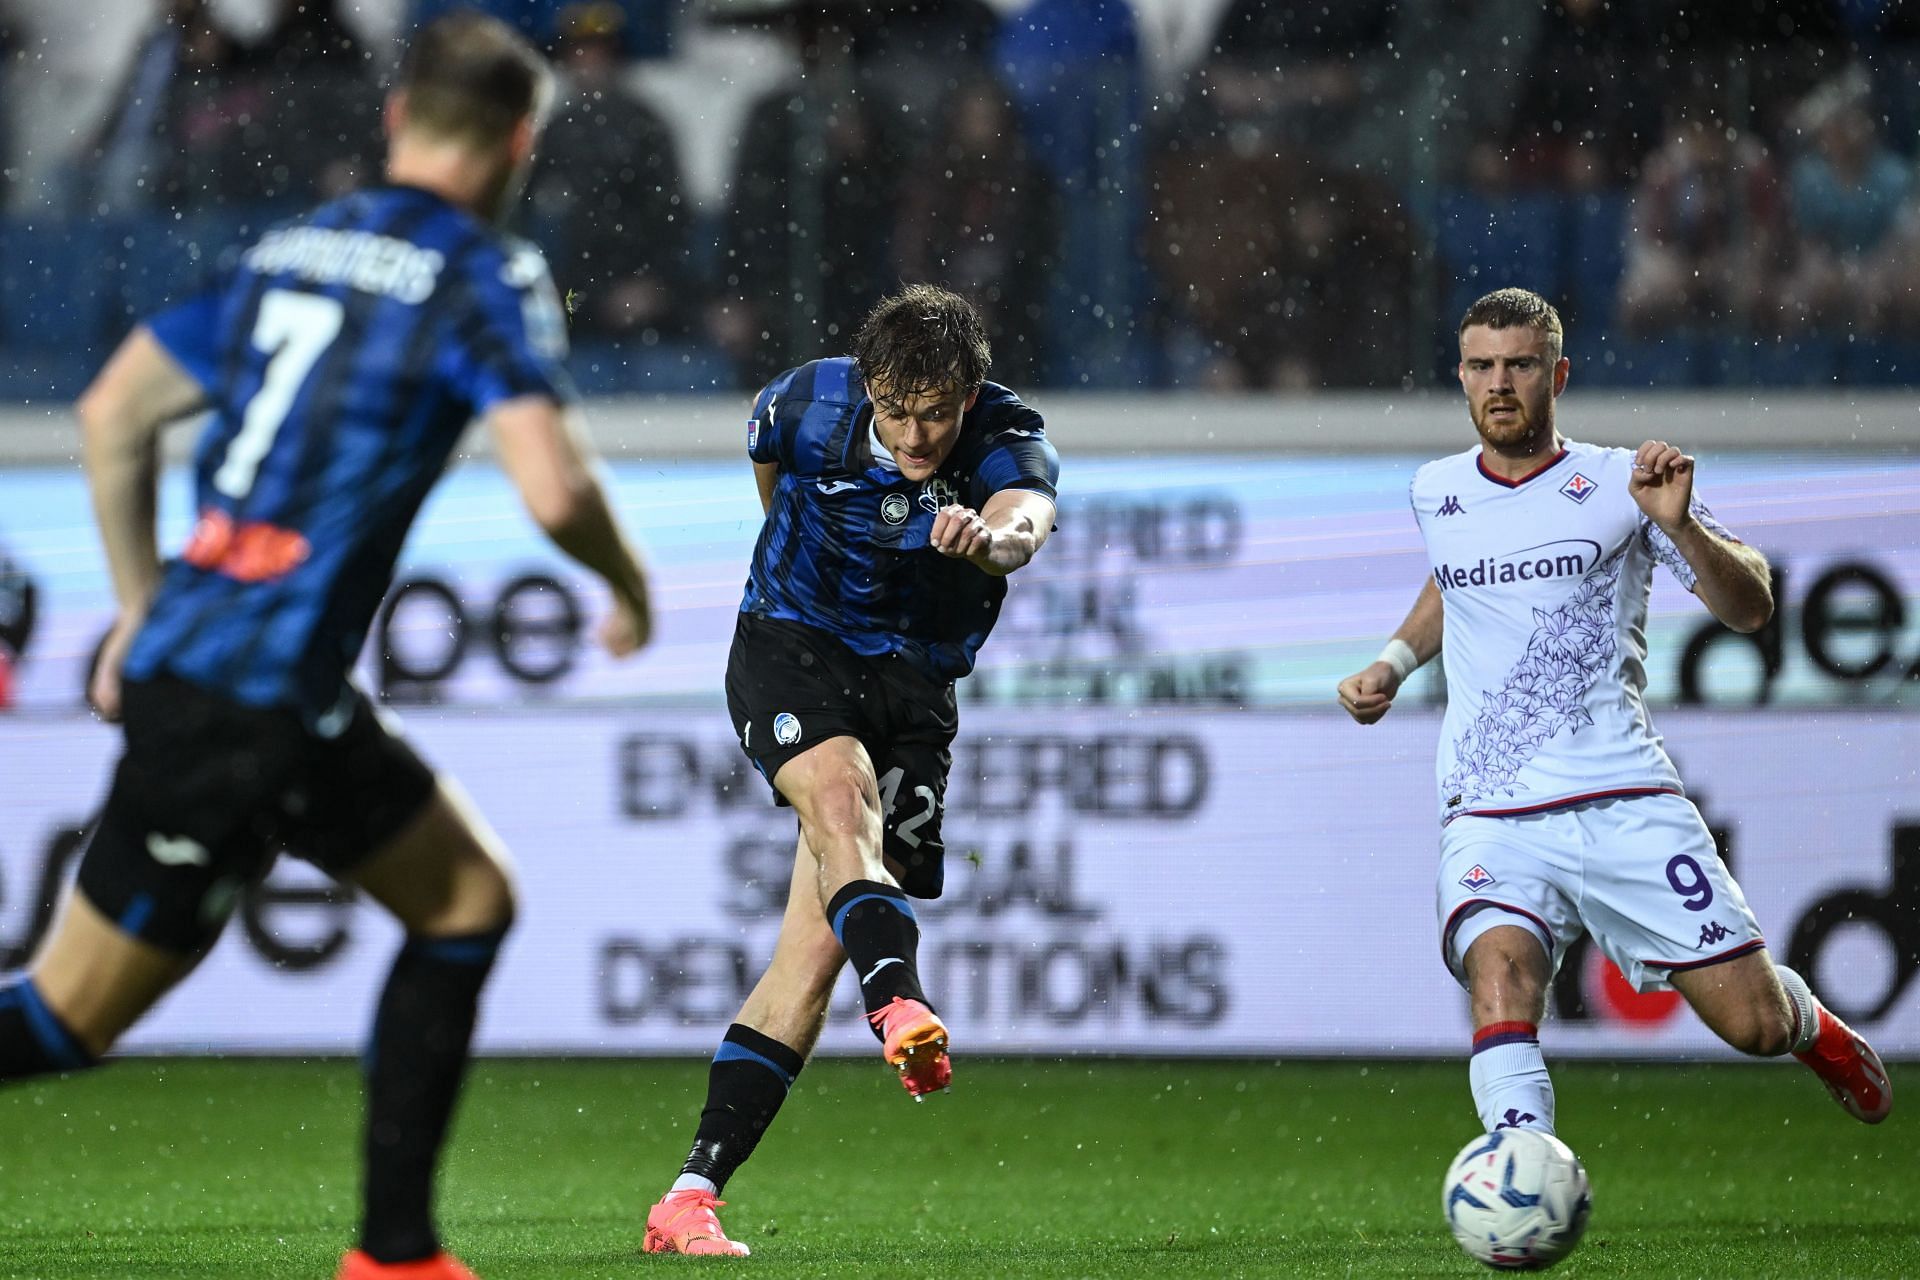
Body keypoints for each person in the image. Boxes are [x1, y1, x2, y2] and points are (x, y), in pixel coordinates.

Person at [12, 14, 653, 1280]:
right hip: (237, 700)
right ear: (520, 141)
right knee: (60, 1019)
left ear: (396, 120)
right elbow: (556, 490)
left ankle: (397, 1255)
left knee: (468, 896)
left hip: (243, 680)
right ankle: (395, 1252)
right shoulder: (480, 270)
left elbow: (112, 411)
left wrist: (141, 603)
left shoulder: (291, 248)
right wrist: (626, 588)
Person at [1337, 287, 1890, 1145]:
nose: (1500, 383)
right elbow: (1458, 581)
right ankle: (1522, 1168)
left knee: (1755, 1027)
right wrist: (1394, 661)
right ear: (1460, 376)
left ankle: (1812, 1026)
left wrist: (1686, 529)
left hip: (1623, 797)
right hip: (1492, 809)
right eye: (1481, 365)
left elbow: (1751, 608)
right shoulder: (1434, 490)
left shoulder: (1622, 481)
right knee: (1501, 979)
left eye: (1520, 364)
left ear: (1557, 373)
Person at [641, 284, 1059, 1257]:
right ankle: (901, 1001)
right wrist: (795, 584)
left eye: (938, 412)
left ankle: (689, 1196)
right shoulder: (804, 404)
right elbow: (769, 471)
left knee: (806, 959)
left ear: (970, 392)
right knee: (839, 802)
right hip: (791, 646)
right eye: (898, 410)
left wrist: (991, 543)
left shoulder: (1006, 432)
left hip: (913, 684)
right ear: (868, 387)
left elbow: (1025, 515)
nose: (917, 435)